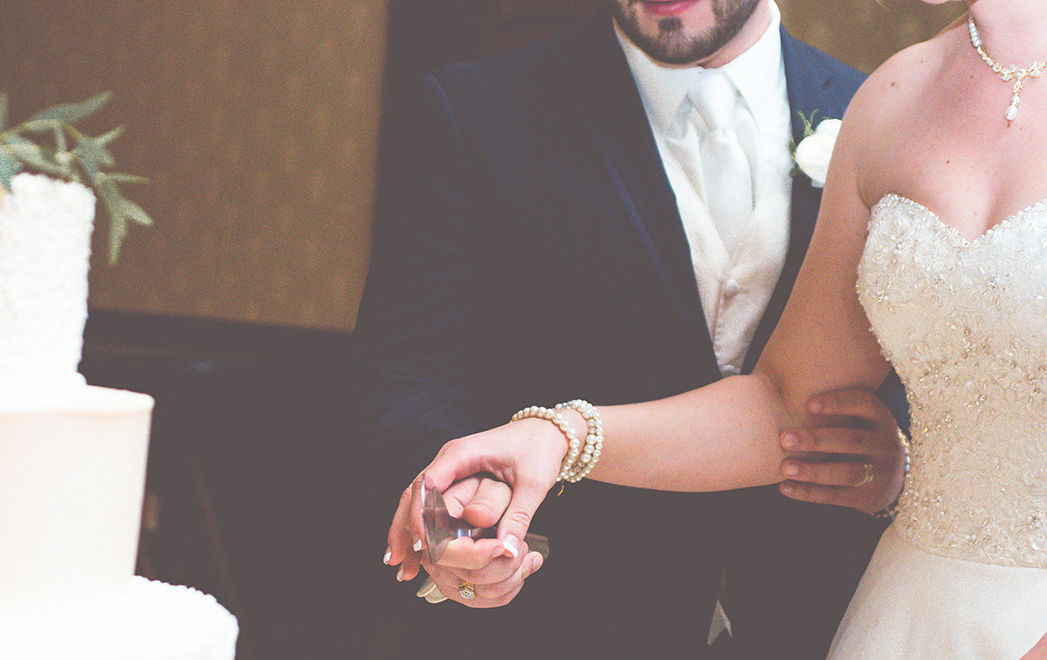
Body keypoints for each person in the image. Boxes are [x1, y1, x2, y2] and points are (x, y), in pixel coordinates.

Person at [384, 0, 1047, 657]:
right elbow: (786, 400)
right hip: (905, 616)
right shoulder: (897, 96)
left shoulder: (848, 94)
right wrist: (557, 434)